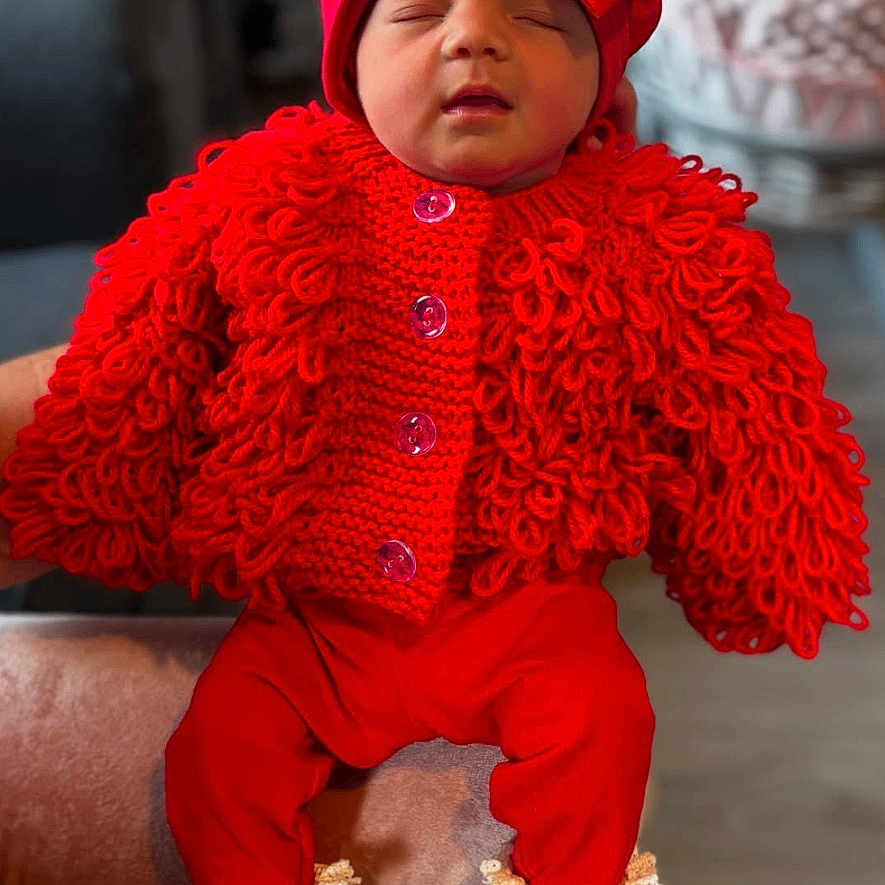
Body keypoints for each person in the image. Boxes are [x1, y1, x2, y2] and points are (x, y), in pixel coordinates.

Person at [0, 1, 872, 885]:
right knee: (216, 758)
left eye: (537, 18)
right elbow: (147, 349)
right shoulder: (274, 192)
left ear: (601, 77)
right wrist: (95, 481)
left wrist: (760, 564)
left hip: (533, 609)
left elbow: (742, 405)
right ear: (347, 67)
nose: (472, 37)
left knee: (604, 724)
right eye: (416, 11)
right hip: (315, 621)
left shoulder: (653, 233)